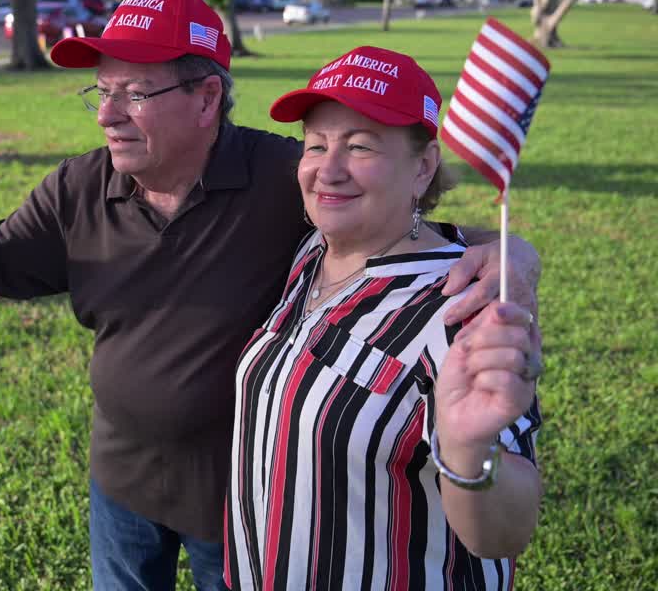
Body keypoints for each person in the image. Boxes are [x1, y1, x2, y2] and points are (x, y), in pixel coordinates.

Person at [0, 0, 541, 590]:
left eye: (134, 93)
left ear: (206, 99)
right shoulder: (80, 187)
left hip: (240, 508)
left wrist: (513, 252)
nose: (106, 113)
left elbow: (399, 230)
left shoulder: (280, 177)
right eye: (102, 91)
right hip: (122, 483)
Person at [225, 46, 542, 590]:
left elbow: (503, 536)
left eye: (360, 146)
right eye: (316, 145)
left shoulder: (462, 306)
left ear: (423, 166)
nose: (328, 169)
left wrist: (468, 452)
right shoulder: (313, 253)